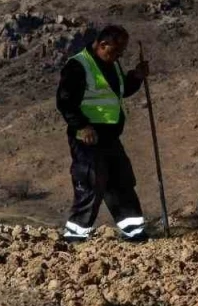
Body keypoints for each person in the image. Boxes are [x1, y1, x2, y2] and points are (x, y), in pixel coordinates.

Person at [56, 25, 150, 242]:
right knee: (91, 184)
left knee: (121, 182)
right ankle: (74, 237)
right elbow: (65, 101)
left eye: (121, 52)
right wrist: (81, 126)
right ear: (102, 44)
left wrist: (136, 76)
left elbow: (121, 90)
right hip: (87, 137)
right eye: (115, 50)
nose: (118, 56)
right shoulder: (78, 66)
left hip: (110, 137)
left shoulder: (111, 63)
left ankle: (134, 233)